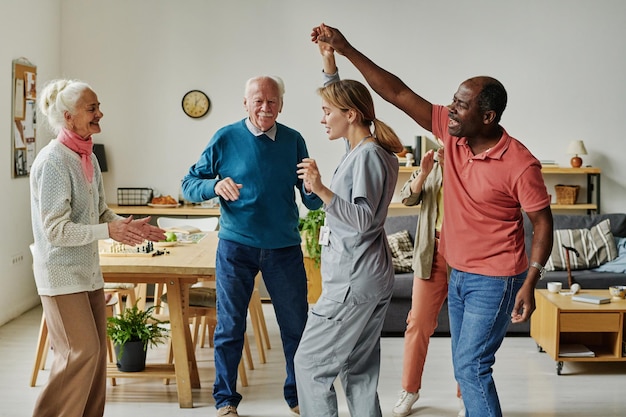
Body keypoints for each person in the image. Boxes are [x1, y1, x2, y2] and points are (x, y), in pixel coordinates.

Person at [311, 24, 553, 417]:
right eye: (452, 102)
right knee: (466, 365)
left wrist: (531, 280)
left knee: (472, 369)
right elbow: (398, 93)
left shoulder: (520, 164)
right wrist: (344, 48)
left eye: (461, 105)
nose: (450, 109)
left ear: (488, 117)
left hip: (495, 279)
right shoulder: (453, 135)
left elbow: (542, 224)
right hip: (458, 271)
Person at [181, 75, 323, 417]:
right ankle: (225, 400)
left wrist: (314, 185)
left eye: (272, 101)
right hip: (236, 247)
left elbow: (312, 202)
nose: (265, 107)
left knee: (296, 326)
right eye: (258, 101)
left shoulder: (293, 140)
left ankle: (298, 394)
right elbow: (188, 184)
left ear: (281, 105)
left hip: (284, 248)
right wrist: (214, 187)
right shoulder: (225, 138)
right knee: (230, 326)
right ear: (245, 103)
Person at [30, 79, 165, 417]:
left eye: (97, 106)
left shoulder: (85, 155)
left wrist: (127, 226)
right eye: (91, 108)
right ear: (68, 116)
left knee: (96, 358)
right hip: (62, 275)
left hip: (88, 272)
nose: (99, 113)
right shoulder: (55, 161)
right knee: (81, 352)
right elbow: (55, 231)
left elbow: (100, 211)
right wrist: (108, 229)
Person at [293, 43, 404, 417]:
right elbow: (343, 99)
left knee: (309, 366)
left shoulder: (370, 155)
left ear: (351, 115)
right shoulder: (361, 150)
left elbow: (361, 221)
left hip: (353, 283)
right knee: (359, 370)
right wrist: (329, 63)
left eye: (327, 113)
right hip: (366, 279)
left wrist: (320, 189)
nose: (323, 119)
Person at [394, 146, 466, 417]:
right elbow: (407, 198)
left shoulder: (474, 161)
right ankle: (410, 389)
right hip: (431, 252)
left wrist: (454, 167)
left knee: (465, 329)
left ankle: (465, 393)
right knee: (418, 323)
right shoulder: (432, 162)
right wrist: (423, 174)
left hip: (466, 255)